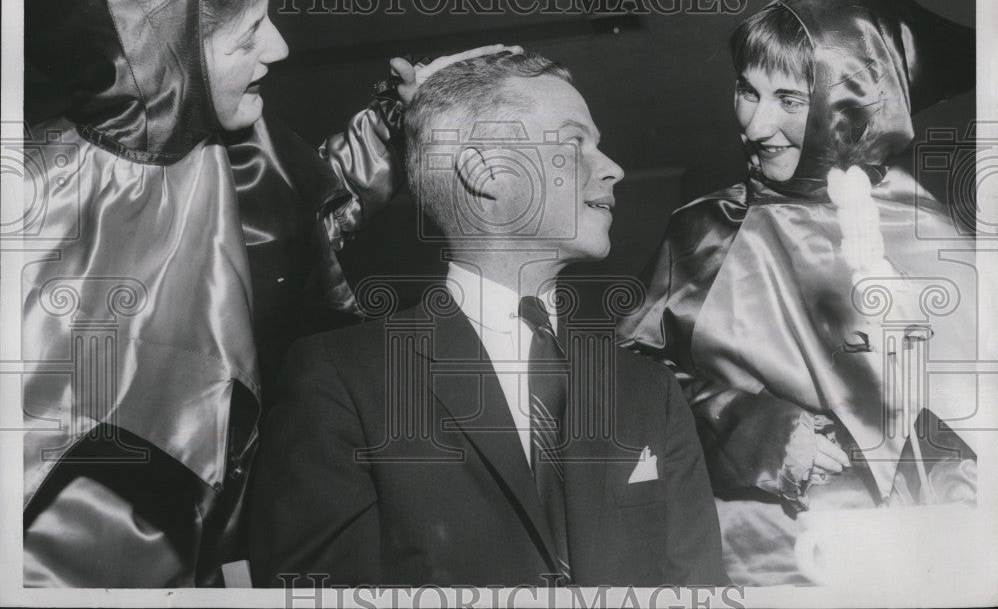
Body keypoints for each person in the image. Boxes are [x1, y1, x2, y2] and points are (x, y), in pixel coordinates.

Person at [20, 0, 505, 587]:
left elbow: (298, 222)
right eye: (248, 35)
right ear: (162, 55)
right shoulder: (23, 205)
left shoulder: (240, 143)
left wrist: (397, 126)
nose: (278, 47)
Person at [248, 51, 728, 587]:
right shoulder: (340, 381)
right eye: (575, 143)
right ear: (485, 171)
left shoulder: (650, 392)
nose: (612, 168)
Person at [617, 0, 978, 585]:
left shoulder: (936, 234)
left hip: (921, 562)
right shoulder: (702, 233)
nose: (756, 127)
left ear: (857, 105)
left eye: (789, 98)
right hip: (760, 560)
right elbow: (627, 385)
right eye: (747, 90)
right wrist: (751, 427)